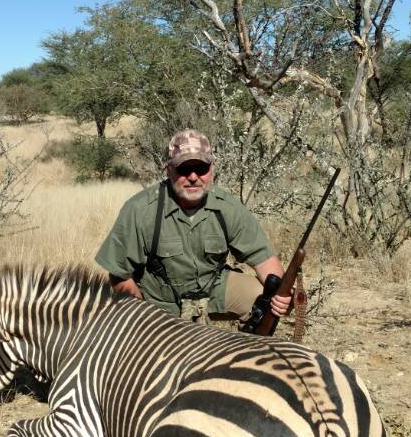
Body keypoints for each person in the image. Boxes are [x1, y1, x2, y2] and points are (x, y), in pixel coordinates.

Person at [95, 129, 292, 327]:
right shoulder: (140, 210)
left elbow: (264, 260)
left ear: (212, 169)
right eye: (184, 169)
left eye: (201, 168)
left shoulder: (228, 208)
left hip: (212, 291)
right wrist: (144, 320)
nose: (193, 176)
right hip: (160, 303)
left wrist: (281, 296)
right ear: (168, 170)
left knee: (263, 297)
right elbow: (119, 274)